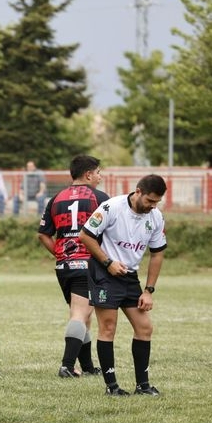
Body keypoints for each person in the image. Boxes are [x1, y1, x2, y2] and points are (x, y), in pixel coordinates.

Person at [79, 174, 167, 396]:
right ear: (138, 191)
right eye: (149, 201)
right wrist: (108, 262)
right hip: (104, 273)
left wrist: (148, 290)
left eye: (156, 202)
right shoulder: (111, 207)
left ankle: (143, 386)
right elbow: (85, 235)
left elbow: (157, 254)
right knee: (108, 327)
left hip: (129, 276)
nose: (152, 206)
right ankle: (112, 387)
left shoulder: (155, 217)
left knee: (144, 327)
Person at [38, 155, 109, 378]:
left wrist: (60, 253)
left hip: (64, 267)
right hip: (87, 265)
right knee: (80, 314)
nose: (100, 176)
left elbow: (43, 235)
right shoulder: (100, 198)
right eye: (98, 172)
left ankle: (87, 366)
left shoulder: (56, 198)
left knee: (83, 314)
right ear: (88, 174)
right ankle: (67, 366)